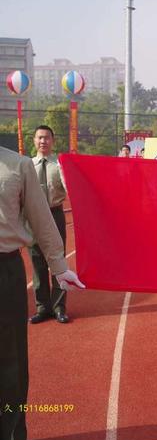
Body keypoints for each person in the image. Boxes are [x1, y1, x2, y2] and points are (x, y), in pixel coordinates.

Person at [0, 145, 84, 440]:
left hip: (5, 270)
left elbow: (41, 216)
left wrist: (59, 267)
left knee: (12, 360)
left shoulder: (17, 165)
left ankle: (14, 438)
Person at [28, 126, 70, 324]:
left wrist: (64, 171)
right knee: (37, 263)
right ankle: (42, 307)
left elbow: (70, 188)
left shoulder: (60, 164)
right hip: (33, 216)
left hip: (55, 214)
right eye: (39, 138)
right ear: (34, 141)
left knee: (58, 261)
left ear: (53, 141)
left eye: (46, 138)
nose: (43, 141)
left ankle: (59, 307)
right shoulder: (26, 165)